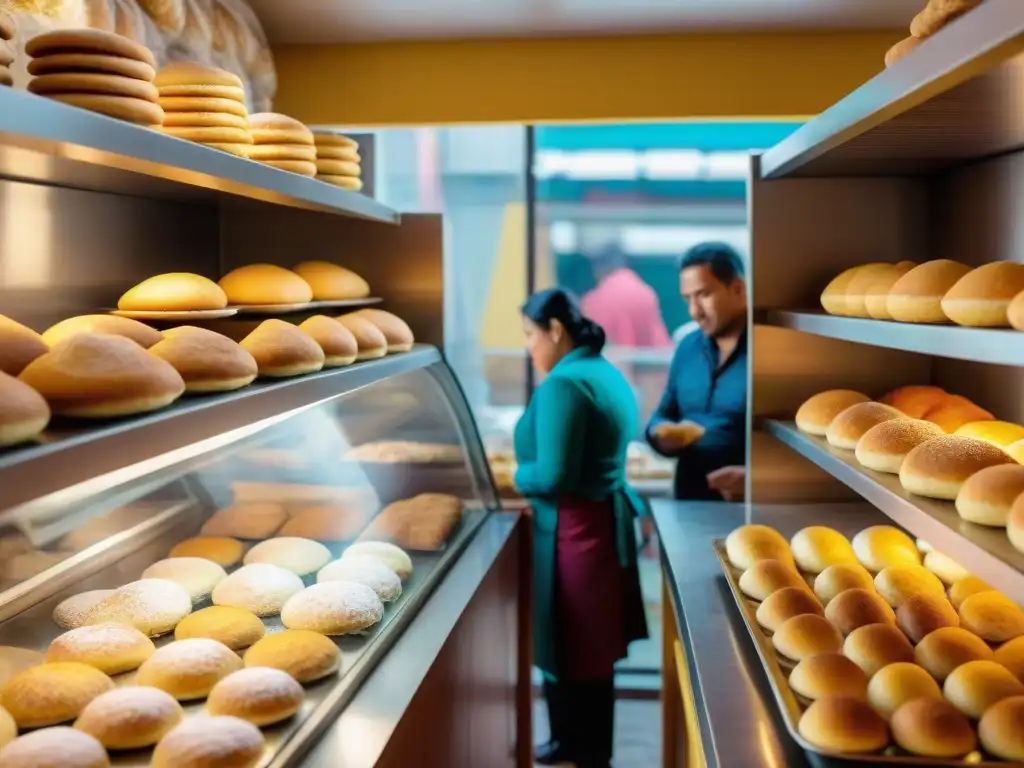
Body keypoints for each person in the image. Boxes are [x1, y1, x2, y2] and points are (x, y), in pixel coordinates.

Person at [514, 288, 648, 768]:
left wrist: (513, 476)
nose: (528, 348)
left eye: (531, 335)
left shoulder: (563, 385)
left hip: (575, 531)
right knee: (592, 651)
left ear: (555, 329)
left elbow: (552, 474)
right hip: (603, 523)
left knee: (574, 645)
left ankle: (582, 749)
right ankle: (579, 745)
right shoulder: (603, 370)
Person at [647, 242, 748, 501]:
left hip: (748, 512)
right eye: (687, 299)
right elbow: (662, 415)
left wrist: (756, 479)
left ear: (738, 288)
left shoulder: (771, 354)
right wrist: (660, 435)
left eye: (703, 295)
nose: (694, 312)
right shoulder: (687, 347)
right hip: (687, 502)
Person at [580, 242, 671, 348]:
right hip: (647, 362)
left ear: (599, 268)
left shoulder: (594, 300)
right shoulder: (645, 292)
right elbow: (660, 346)